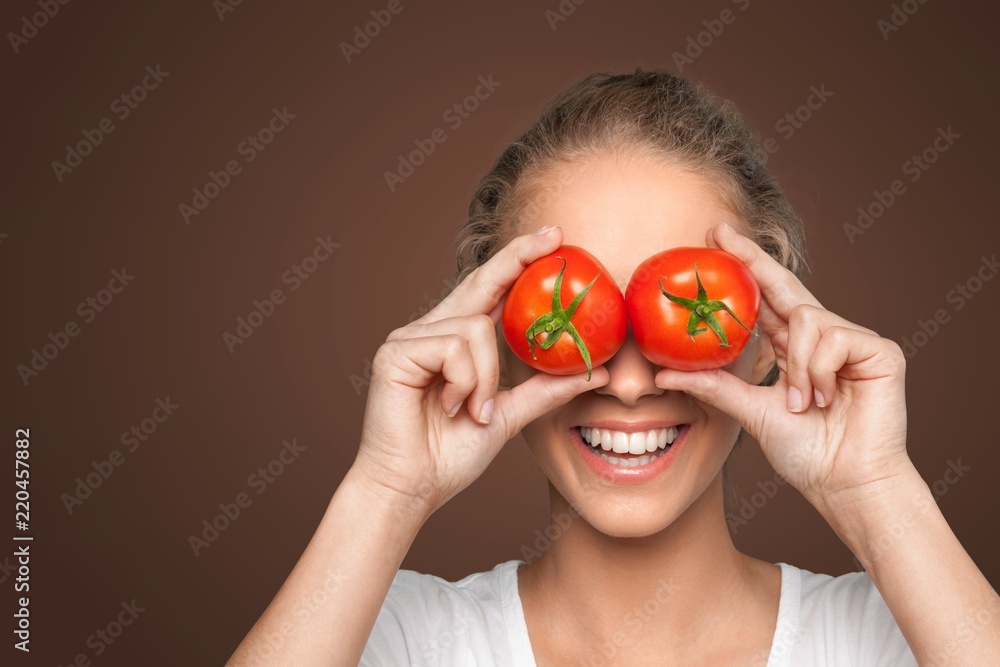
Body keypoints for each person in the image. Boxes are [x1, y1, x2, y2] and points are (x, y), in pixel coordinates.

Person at [228, 69, 999, 666]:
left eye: (688, 318)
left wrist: (877, 492)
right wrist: (386, 489)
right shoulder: (397, 637)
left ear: (768, 333)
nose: (628, 384)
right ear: (495, 337)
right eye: (567, 319)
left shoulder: (894, 636)